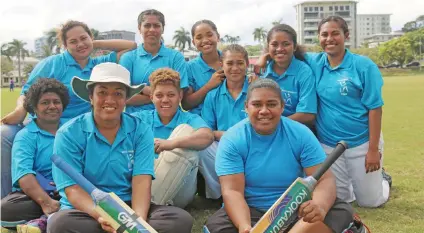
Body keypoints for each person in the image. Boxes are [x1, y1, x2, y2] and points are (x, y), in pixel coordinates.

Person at [48, 63, 193, 233]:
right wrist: (103, 217)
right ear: (91, 97)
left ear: (126, 99)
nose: (110, 100)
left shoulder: (140, 130)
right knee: (60, 224)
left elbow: (141, 182)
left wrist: (135, 223)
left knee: (180, 220)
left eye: (118, 93)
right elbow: (73, 190)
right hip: (86, 210)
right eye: (102, 92)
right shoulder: (69, 133)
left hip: (128, 205)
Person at [0, 20, 137, 198]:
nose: (80, 44)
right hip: (50, 122)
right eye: (73, 42)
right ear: (64, 46)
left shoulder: (98, 66)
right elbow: (28, 92)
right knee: (4, 134)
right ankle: (7, 197)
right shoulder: (53, 63)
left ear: (91, 38)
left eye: (83, 38)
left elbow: (131, 46)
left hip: (83, 126)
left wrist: (92, 44)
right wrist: (21, 110)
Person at [205, 78, 354, 233]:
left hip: (296, 209)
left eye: (271, 104)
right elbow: (232, 191)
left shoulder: (301, 133)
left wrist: (319, 206)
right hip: (251, 210)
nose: (264, 111)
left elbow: (324, 179)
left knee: (340, 210)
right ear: (246, 107)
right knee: (216, 227)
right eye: (257, 104)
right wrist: (245, 227)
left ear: (282, 107)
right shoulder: (232, 139)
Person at [303, 16, 391, 208]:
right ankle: (358, 181)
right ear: (318, 38)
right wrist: (264, 57)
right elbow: (289, 50)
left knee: (370, 202)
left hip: (361, 141)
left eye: (335, 33)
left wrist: (373, 150)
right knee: (341, 199)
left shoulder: (363, 66)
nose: (329, 38)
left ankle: (383, 180)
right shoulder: (315, 62)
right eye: (324, 34)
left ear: (346, 35)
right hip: (329, 145)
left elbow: (375, 109)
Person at [132, 68, 214, 208]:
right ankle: (146, 205)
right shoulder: (141, 118)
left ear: (180, 96)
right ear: (151, 97)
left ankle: (149, 205)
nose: (165, 100)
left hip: (179, 191)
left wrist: (171, 144)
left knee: (186, 136)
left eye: (171, 95)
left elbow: (207, 137)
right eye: (159, 95)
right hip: (145, 181)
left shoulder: (189, 118)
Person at [1, 78, 69, 233]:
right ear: (34, 108)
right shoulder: (25, 136)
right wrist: (46, 202)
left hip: (71, 188)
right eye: (45, 102)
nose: (52, 106)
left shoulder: (73, 129)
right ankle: (55, 214)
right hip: (40, 193)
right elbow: (23, 173)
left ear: (63, 105)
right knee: (7, 208)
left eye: (56, 102)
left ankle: (44, 221)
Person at [199, 44, 250, 200]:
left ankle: (249, 194)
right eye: (230, 63)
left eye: (240, 63)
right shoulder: (212, 95)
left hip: (252, 146)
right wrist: (229, 136)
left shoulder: (256, 90)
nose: (235, 68)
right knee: (201, 149)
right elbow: (207, 131)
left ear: (247, 64)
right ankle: (221, 195)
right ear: (221, 65)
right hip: (223, 145)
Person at [119, 9, 189, 113]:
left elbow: (180, 94)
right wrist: (161, 95)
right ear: (139, 28)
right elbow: (121, 96)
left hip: (169, 120)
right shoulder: (128, 58)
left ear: (163, 29)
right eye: (147, 25)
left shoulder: (176, 57)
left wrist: (140, 90)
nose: (152, 29)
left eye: (156, 25)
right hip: (136, 121)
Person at [254, 24, 317, 127]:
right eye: (274, 44)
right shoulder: (262, 71)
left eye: (285, 44)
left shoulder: (304, 72)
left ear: (294, 47)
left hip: (294, 130)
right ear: (268, 47)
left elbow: (308, 115)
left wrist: (275, 124)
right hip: (266, 128)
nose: (279, 49)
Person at [182, 20, 224, 115]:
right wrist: (209, 86)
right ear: (193, 42)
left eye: (209, 35)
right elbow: (186, 104)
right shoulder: (189, 68)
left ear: (218, 36)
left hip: (229, 118)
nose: (205, 40)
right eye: (199, 37)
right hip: (201, 122)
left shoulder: (230, 62)